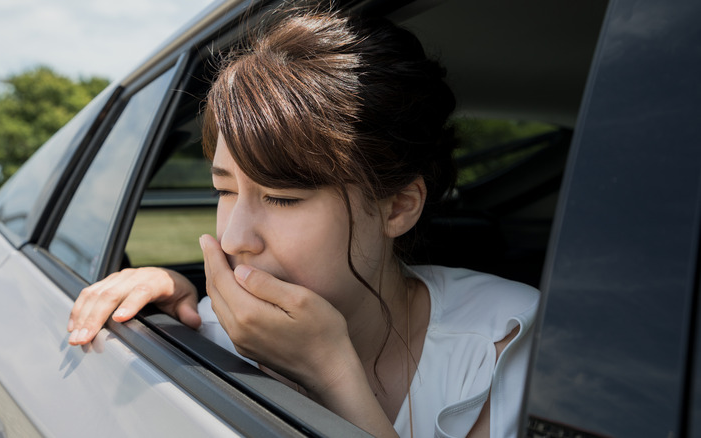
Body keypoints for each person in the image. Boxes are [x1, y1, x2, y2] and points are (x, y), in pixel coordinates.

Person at [67, 5, 539, 438]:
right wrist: (165, 309)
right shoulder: (210, 330)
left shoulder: (505, 340)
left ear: (397, 207)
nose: (233, 239)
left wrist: (330, 371)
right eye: (225, 191)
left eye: (282, 198)